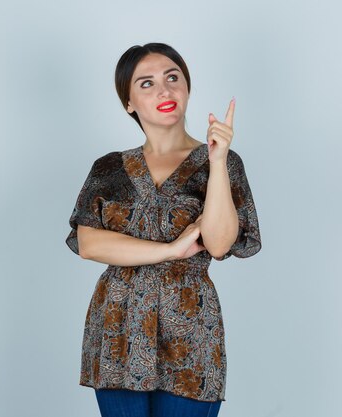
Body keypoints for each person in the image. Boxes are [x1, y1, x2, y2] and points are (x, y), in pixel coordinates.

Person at [65, 42, 261, 417]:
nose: (164, 90)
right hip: (117, 328)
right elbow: (89, 243)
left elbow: (219, 244)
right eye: (146, 83)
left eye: (173, 78)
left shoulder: (222, 162)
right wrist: (170, 250)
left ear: (187, 87)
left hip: (189, 331)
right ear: (128, 102)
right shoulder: (108, 169)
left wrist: (217, 161)